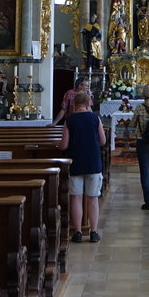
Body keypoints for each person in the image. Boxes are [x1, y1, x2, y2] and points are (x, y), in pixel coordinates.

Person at [59, 90, 106, 243]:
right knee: (93, 198)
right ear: (87, 104)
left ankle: (78, 231)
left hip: (76, 160)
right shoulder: (95, 118)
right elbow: (103, 141)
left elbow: (64, 144)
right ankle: (94, 231)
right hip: (93, 160)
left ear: (74, 104)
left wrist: (57, 145)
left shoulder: (70, 119)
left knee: (76, 197)